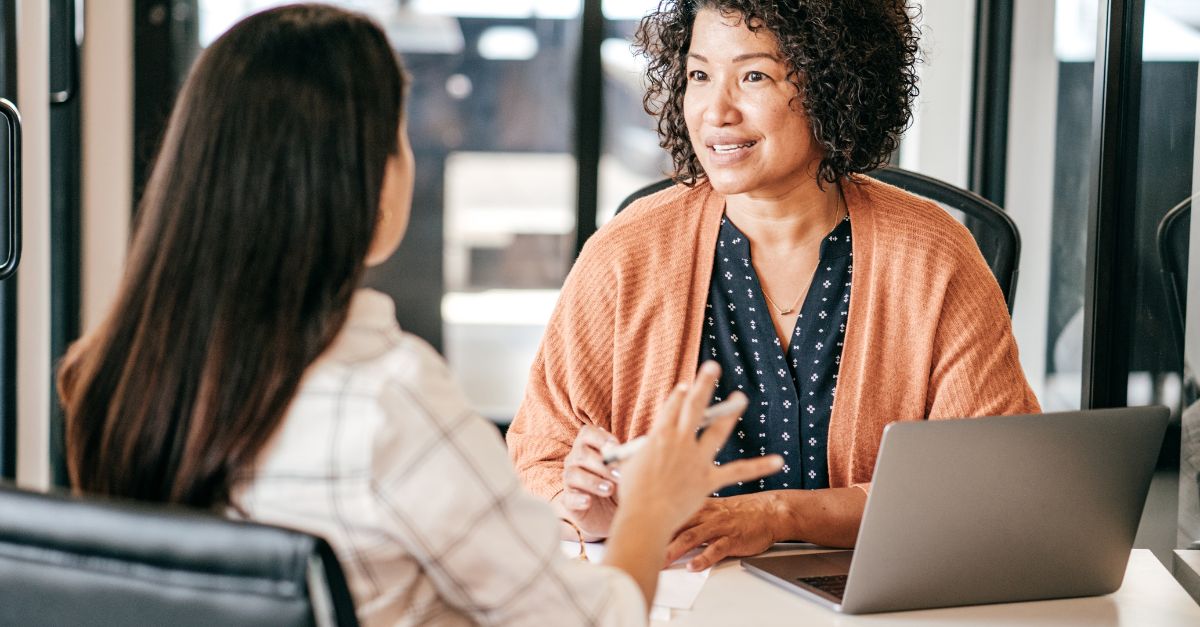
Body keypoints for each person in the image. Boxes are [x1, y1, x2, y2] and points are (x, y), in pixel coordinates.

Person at [56, 5, 780, 625]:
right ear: (362, 183)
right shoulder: (388, 399)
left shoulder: (111, 375)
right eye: (400, 136)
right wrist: (651, 506)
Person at [507, 0, 1040, 572]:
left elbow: (988, 483)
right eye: (699, 75)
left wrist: (779, 514)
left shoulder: (934, 255)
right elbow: (538, 460)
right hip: (678, 595)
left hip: (870, 598)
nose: (716, 111)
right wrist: (588, 507)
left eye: (753, 75)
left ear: (835, 85)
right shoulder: (625, 253)